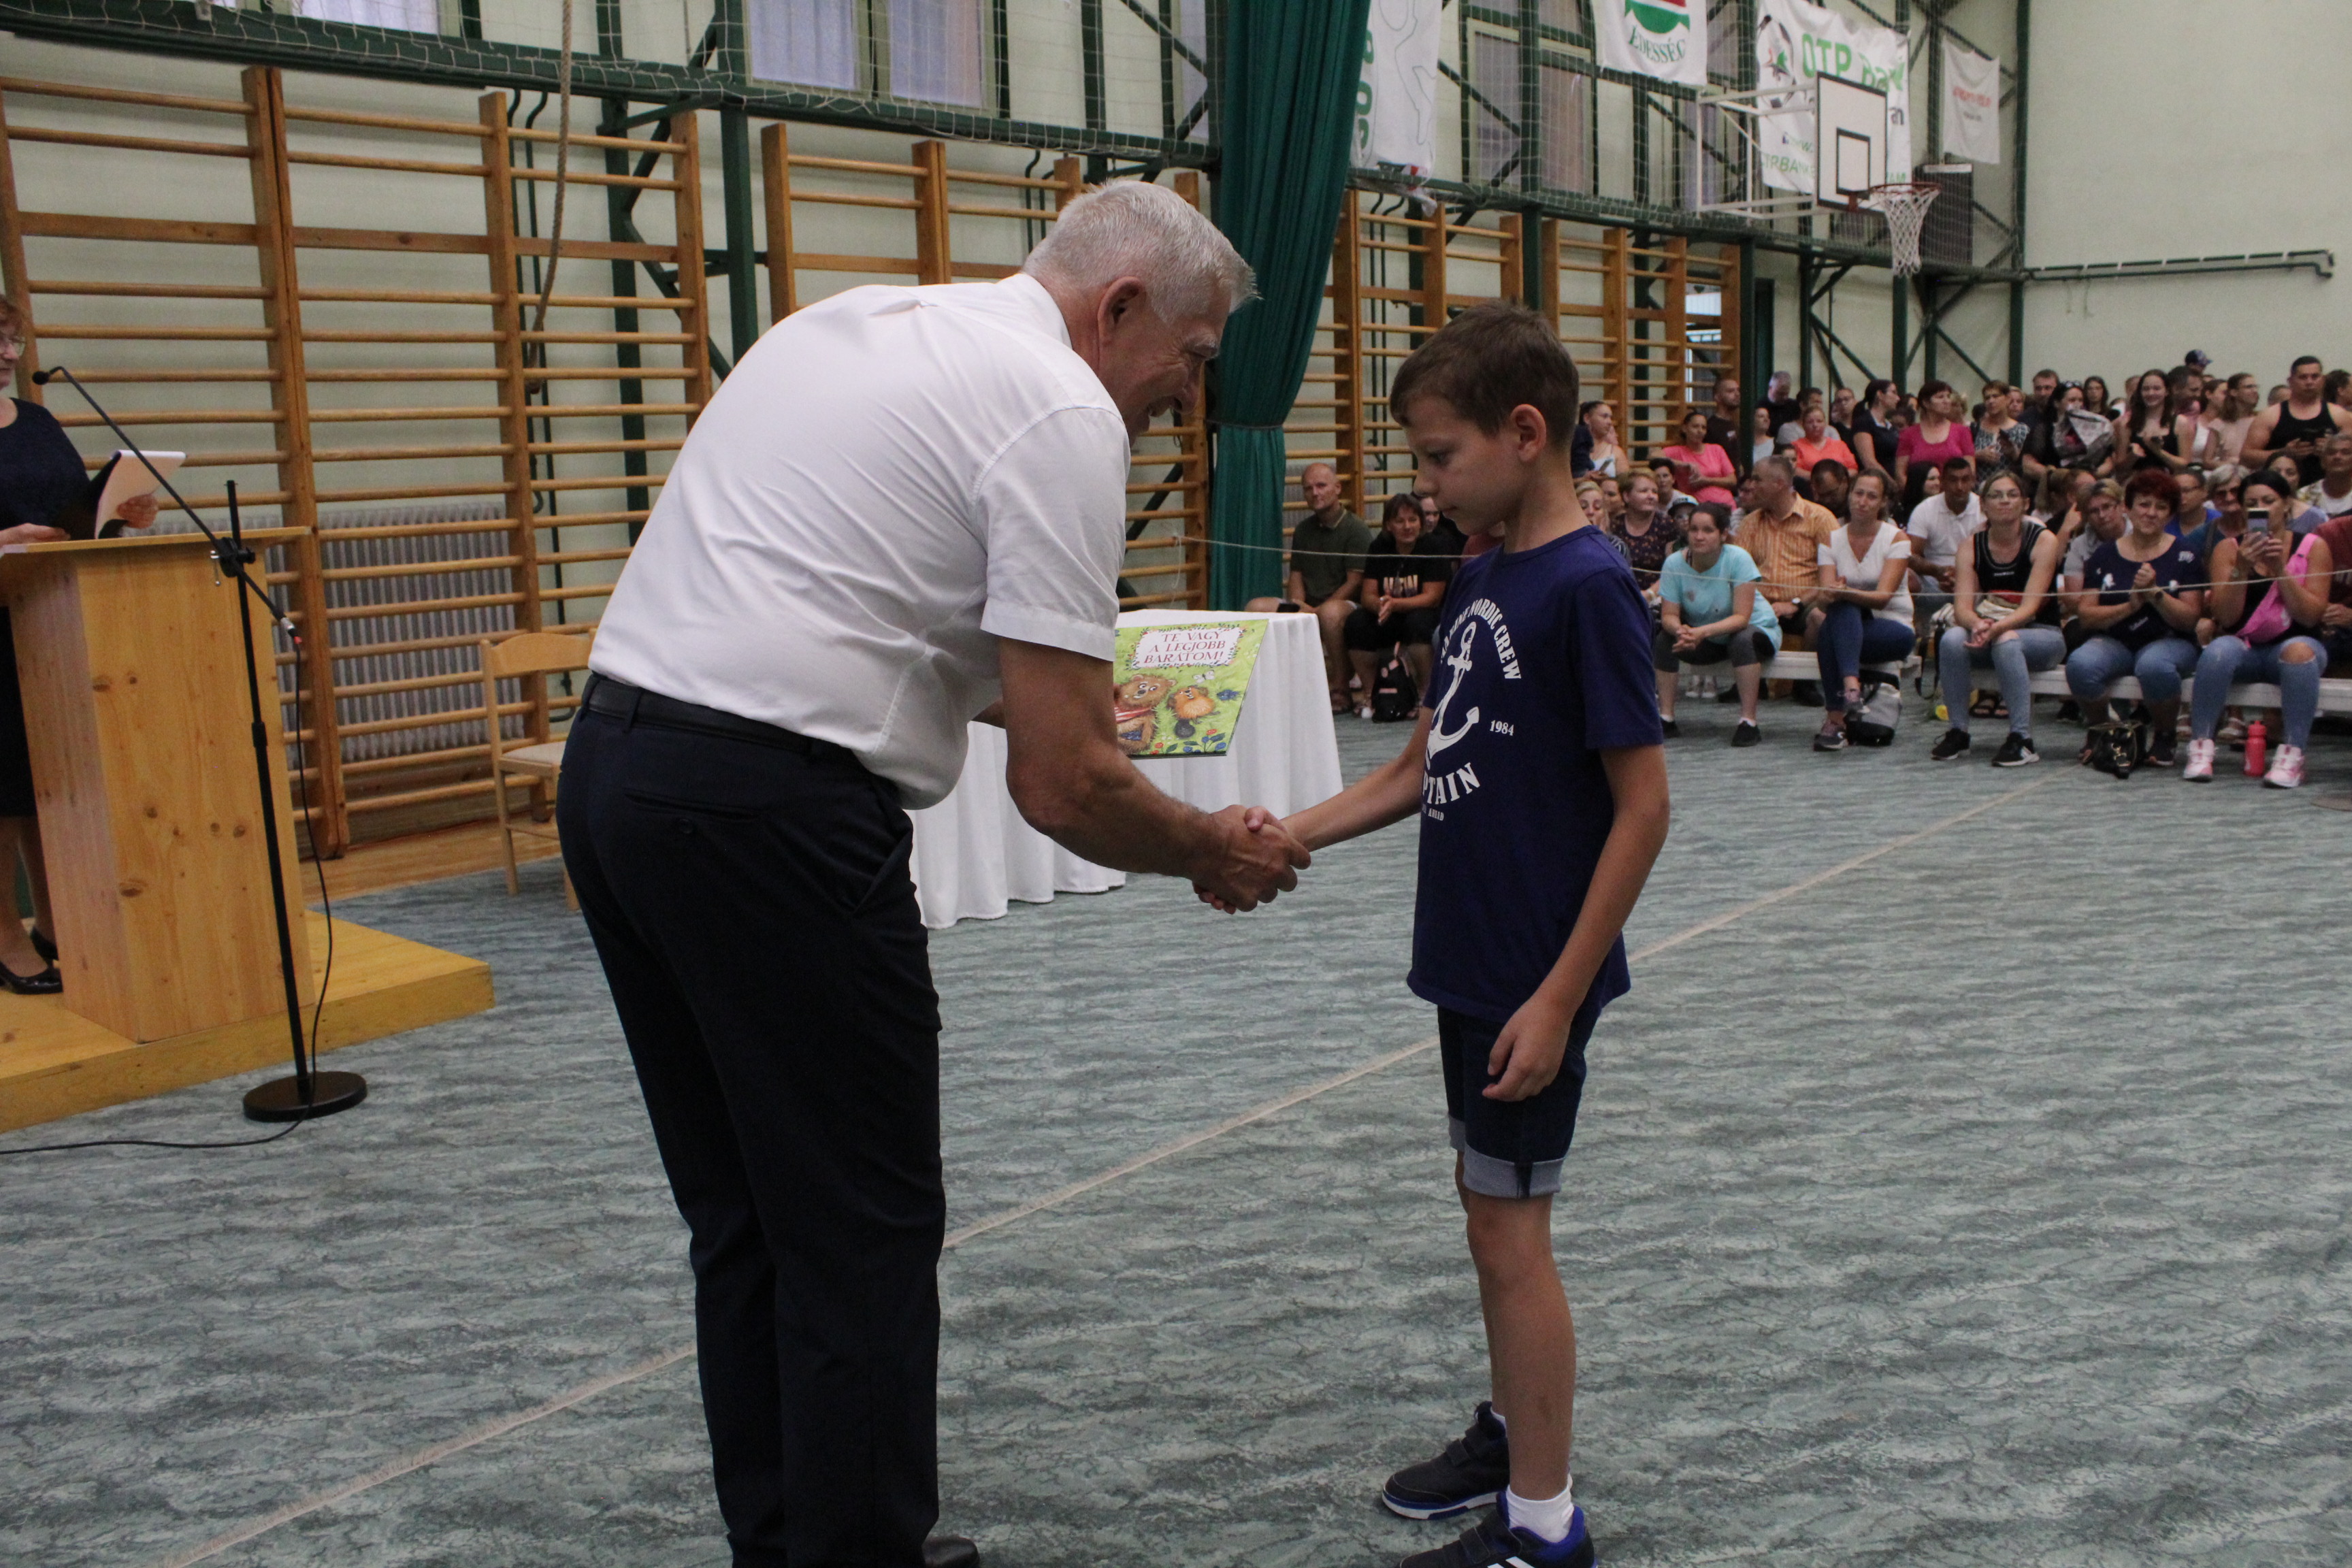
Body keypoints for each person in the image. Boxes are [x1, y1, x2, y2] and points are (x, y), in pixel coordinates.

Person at [559, 181, 1306, 1568]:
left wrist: (1060, 711)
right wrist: (1208, 847)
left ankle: (792, 1542)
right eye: (1192, 357)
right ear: (1120, 306)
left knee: (747, 1214)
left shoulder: (855, 324)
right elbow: (1063, 784)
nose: (1187, 397)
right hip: (771, 819)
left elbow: (854, 607)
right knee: (860, 1229)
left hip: (617, 776)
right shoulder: (1061, 405)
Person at [1272, 299, 1669, 1568]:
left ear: (1526, 432)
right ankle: (1512, 1428)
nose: (1429, 484)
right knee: (1485, 1204)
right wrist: (1281, 835)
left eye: (1441, 457)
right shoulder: (1486, 573)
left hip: (1529, 973)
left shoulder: (1588, 587)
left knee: (1511, 1229)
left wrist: (1556, 996)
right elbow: (1415, 765)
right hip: (1468, 953)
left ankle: (1545, 1527)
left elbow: (1644, 810)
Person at [0, 305, 159, 993]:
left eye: (12, 340)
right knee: (2, 789)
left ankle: (57, 920)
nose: (10, 353)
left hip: (50, 622)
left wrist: (119, 514)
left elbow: (72, 518)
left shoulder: (37, 423)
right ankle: (5, 938)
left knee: (49, 782)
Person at [2185, 484, 2329, 787]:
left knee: (2298, 652)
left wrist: (2281, 570)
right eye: (2252, 503)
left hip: (2297, 645)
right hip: (2246, 647)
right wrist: (2241, 567)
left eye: (2268, 500)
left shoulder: (2313, 546)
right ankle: (2201, 747)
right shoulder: (2228, 549)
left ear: (2286, 504)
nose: (2260, 508)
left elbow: (2310, 616)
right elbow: (2226, 617)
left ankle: (2293, 754)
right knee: (2218, 651)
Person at [2064, 468, 2206, 766]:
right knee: (2081, 663)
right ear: (2127, 508)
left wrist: (2155, 594)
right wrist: (2130, 607)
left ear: (2170, 515)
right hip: (2116, 640)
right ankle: (2102, 730)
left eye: (2161, 507)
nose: (2151, 513)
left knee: (2154, 666)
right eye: (2144, 504)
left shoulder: (2187, 555)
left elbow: (2190, 620)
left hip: (2170, 640)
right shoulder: (2104, 555)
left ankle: (2165, 735)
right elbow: (2086, 615)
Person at [1929, 470, 2066, 766]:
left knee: (2006, 641)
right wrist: (1977, 624)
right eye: (1996, 495)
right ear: (1984, 506)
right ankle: (1958, 731)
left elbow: (2030, 608)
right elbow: (1962, 608)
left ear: (2025, 504)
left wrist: (1995, 629)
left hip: (2041, 635)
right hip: (1989, 631)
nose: (2004, 501)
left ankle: (2022, 739)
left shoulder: (2044, 541)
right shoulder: (1970, 546)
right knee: (1952, 638)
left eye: (2012, 495)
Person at [1245, 461, 1374, 712]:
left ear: (1337, 488)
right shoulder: (1303, 530)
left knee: (1330, 613)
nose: (1315, 493)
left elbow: (1355, 581)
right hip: (1310, 605)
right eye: (1308, 488)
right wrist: (1298, 605)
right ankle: (1267, 689)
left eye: (1321, 486)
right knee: (1256, 607)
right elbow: (1297, 574)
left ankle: (1341, 689)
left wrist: (1319, 610)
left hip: (1347, 607)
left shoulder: (1356, 529)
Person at [1654, 502, 1776, 745]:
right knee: (1664, 639)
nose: (1699, 536)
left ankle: (1749, 722)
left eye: (1708, 530)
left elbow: (1742, 618)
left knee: (1742, 640)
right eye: (1694, 530)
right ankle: (1666, 718)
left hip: (1752, 633)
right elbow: (1669, 615)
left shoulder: (1739, 559)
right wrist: (1681, 631)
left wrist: (1700, 632)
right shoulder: (1674, 564)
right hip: (1706, 637)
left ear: (1723, 534)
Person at [1810, 471, 1914, 751]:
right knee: (1837, 614)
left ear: (1882, 502)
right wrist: (1831, 594)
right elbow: (1824, 598)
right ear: (1849, 495)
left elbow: (1882, 599)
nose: (1863, 502)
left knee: (1836, 620)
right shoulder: (1831, 540)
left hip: (1892, 628)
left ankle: (1835, 719)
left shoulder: (1897, 539)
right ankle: (1851, 690)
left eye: (1871, 496)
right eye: (1858, 493)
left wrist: (1844, 592)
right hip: (1846, 630)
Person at [1345, 491, 1457, 706]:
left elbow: (1432, 598)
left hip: (1427, 613)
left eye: (1413, 520)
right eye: (1400, 521)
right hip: (1390, 612)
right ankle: (1372, 694)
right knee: (1357, 623)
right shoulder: (1379, 547)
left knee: (1418, 623)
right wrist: (1381, 605)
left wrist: (1394, 604)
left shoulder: (1434, 547)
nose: (1407, 527)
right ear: (1389, 525)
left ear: (1420, 523)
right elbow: (1367, 594)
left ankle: (1426, 694)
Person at [1735, 454, 1837, 662]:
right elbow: (1737, 573)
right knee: (1734, 615)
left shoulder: (1820, 519)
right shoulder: (1750, 522)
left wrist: (1795, 604)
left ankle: (1804, 678)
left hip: (1805, 604)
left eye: (1757, 480)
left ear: (1779, 484)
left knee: (1820, 617)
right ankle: (1753, 675)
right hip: (1760, 606)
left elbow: (1832, 578)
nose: (1751, 486)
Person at [2242, 355, 2352, 487]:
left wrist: (2331, 450)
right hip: (2281, 489)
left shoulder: (2339, 415)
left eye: (2315, 377)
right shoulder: (2270, 416)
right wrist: (2284, 453)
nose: (2309, 382)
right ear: (2291, 381)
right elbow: (2246, 457)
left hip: (2329, 489)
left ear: (2323, 380)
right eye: (2303, 377)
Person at [1904, 456, 1984, 632]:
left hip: (1976, 581)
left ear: (1973, 481)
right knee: (1906, 576)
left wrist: (1965, 578)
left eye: (1965, 480)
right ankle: (1915, 632)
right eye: (1953, 480)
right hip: (1934, 581)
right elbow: (1910, 556)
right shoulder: (1925, 510)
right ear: (1943, 482)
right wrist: (1938, 572)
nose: (1960, 487)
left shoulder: (1984, 509)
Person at [1895, 378, 1974, 514]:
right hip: (1920, 503)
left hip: (1954, 501)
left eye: (1948, 397)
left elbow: (1970, 469)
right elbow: (1900, 473)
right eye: (1940, 397)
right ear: (1926, 403)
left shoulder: (1962, 432)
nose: (1947, 401)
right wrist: (1915, 493)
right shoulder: (1909, 434)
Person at [1608, 469, 1682, 591]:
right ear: (1626, 496)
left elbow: (1674, 570)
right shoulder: (1615, 525)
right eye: (1644, 491)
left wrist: (1649, 594)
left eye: (1654, 492)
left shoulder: (1667, 525)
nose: (1651, 496)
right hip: (1621, 591)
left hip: (1658, 593)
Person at [2112, 368, 2189, 474]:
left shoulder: (2181, 422)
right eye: (2146, 389)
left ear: (2167, 391)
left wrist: (2158, 451)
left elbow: (2184, 465)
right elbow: (2120, 467)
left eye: (2157, 389)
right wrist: (2133, 456)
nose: (2151, 393)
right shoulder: (2127, 423)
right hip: (2137, 479)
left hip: (2169, 479)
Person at [1659, 406, 1735, 506]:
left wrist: (1706, 481)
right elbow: (1654, 457)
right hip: (1698, 507)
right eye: (1695, 427)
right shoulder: (1678, 451)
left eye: (1703, 428)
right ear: (1685, 428)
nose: (1700, 431)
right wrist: (1683, 465)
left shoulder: (1716, 449)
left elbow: (1732, 481)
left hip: (1726, 504)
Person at [1848, 377, 1901, 482]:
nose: (1898, 398)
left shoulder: (1890, 426)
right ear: (1880, 394)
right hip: (1875, 482)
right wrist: (1891, 484)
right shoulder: (1863, 423)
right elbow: (1869, 462)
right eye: (1893, 392)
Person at [1971, 379, 2028, 475]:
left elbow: (2027, 463)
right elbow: (1962, 456)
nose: (1991, 401)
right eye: (1987, 398)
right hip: (1981, 482)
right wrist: (1977, 455)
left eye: (1996, 396)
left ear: (2007, 399)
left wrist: (2013, 453)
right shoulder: (1974, 428)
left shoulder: (2021, 430)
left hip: (2009, 481)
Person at [2202, 372, 2261, 467]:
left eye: (2256, 387)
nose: (2254, 391)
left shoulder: (2261, 421)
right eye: (2249, 387)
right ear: (2234, 392)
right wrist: (2230, 465)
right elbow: (2207, 461)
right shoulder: (2219, 424)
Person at [1789, 402, 1858, 480]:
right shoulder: (1795, 446)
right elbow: (1793, 469)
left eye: (1819, 421)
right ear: (1803, 425)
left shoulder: (1840, 445)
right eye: (1810, 422)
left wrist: (1836, 479)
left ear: (1825, 424)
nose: (1815, 425)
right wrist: (1821, 479)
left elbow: (1853, 469)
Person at [2298, 430, 2352, 519]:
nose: (2337, 457)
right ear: (2322, 462)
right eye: (2331, 453)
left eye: (2345, 453)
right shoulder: (2303, 497)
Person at [1571, 399, 1626, 477]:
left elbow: (1624, 482)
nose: (1610, 422)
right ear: (1587, 418)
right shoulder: (1571, 449)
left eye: (1610, 418)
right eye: (1605, 416)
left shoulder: (1616, 452)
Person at [1705, 372, 1746, 466]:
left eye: (1738, 390)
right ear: (1718, 397)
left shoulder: (1735, 423)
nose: (1737, 394)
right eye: (1730, 391)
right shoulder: (1711, 427)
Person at [1808, 457, 1852, 521]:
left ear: (1844, 482)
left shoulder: (1858, 505)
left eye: (1831, 494)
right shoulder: (1810, 509)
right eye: (1822, 496)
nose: (1827, 500)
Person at [1748, 404, 1776, 468]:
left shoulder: (1775, 444)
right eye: (1761, 416)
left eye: (1768, 417)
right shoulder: (1745, 444)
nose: (1766, 419)